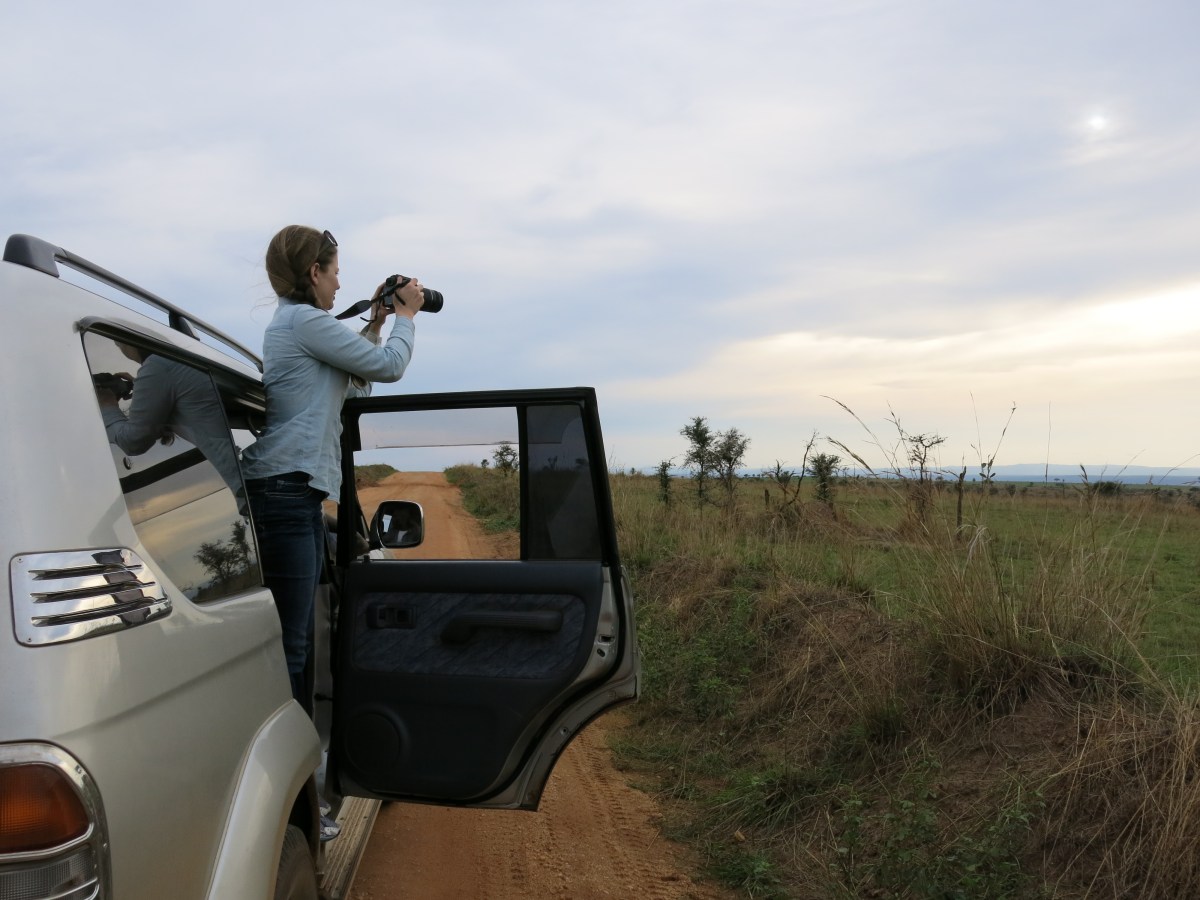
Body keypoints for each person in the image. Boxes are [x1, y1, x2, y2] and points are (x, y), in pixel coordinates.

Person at [240, 226, 422, 838]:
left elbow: (354, 384)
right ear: (313, 272)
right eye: (335, 270)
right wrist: (406, 317)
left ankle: (303, 783)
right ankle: (297, 801)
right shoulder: (303, 322)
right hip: (287, 492)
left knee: (304, 641)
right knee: (291, 650)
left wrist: (374, 321)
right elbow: (389, 368)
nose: (341, 282)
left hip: (293, 493)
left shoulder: (302, 327)